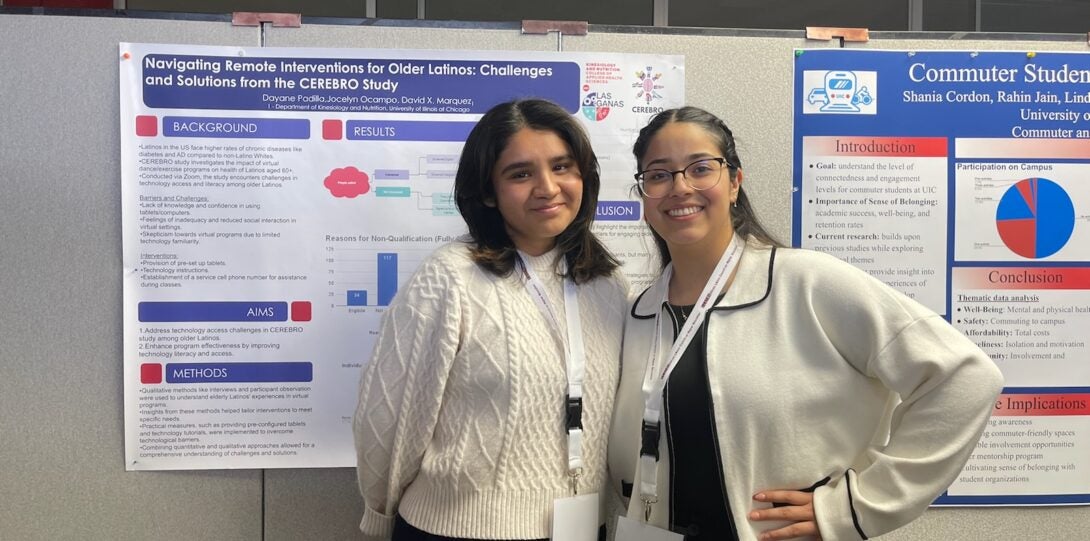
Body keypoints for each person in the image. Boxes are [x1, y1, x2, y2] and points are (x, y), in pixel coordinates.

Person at [608, 106, 1003, 541]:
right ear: (644, 195)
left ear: (735, 182)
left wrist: (858, 508)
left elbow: (965, 377)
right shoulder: (638, 313)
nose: (680, 188)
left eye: (701, 168)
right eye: (659, 175)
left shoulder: (807, 284)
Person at [353, 98, 629, 541]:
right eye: (520, 173)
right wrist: (380, 512)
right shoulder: (449, 278)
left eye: (562, 167)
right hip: (456, 530)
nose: (547, 187)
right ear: (487, 191)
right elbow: (391, 417)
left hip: (577, 528)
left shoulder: (608, 286)